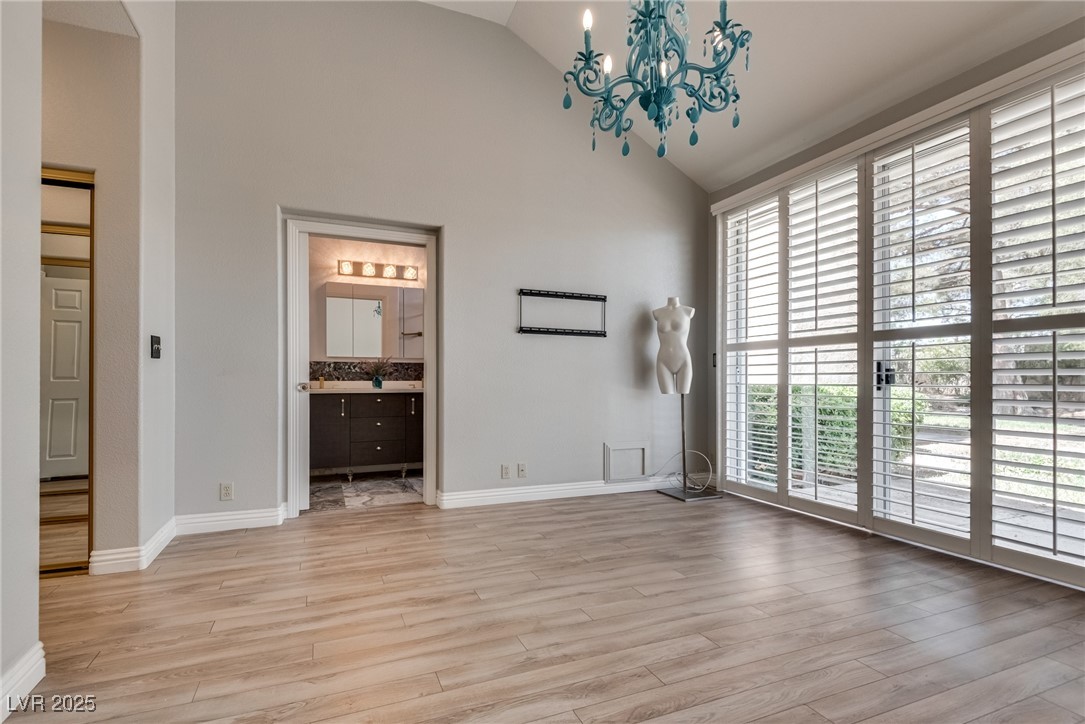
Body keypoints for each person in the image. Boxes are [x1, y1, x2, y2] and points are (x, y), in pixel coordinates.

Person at [653, 297, 694, 394]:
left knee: (683, 396)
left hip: (683, 360)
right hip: (663, 361)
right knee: (666, 397)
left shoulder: (688, 311)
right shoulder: (657, 313)